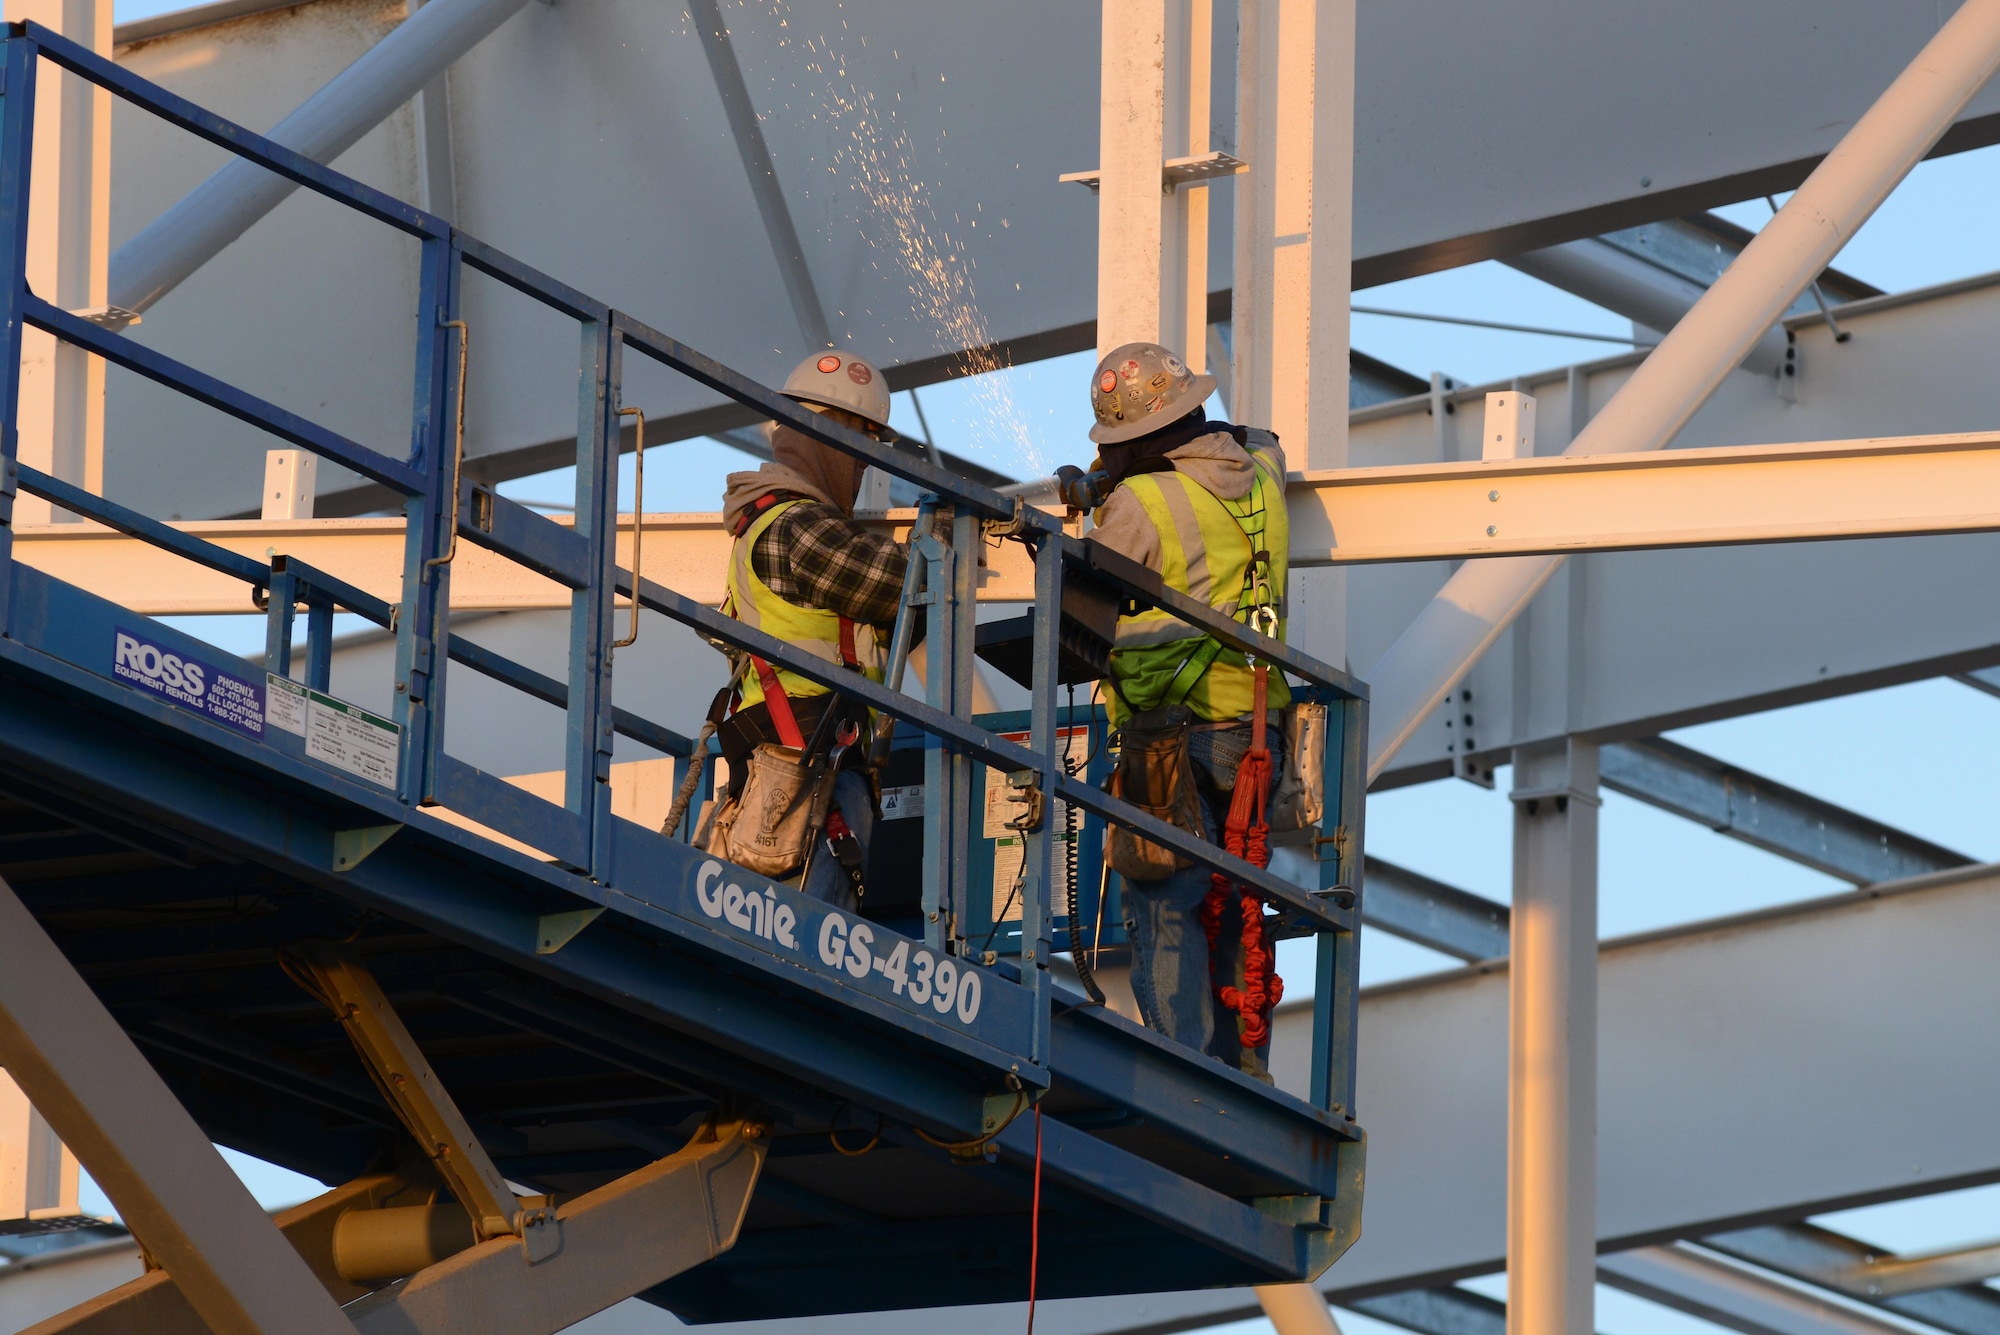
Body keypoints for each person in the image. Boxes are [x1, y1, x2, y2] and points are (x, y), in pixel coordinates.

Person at [1083, 340, 1291, 1082]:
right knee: (1238, 902)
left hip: (1169, 728)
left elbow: (1090, 599)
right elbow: (1258, 441)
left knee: (1165, 898)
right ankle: (1248, 1067)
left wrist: (1099, 503)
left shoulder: (1141, 502)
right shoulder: (1263, 470)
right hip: (1257, 726)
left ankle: (1186, 1075)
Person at [707, 350, 908, 911]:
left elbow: (893, 628)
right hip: (805, 767)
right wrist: (940, 548)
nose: (865, 465)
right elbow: (900, 588)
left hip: (805, 766)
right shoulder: (793, 526)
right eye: (863, 446)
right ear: (832, 438)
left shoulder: (786, 526)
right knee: (802, 950)